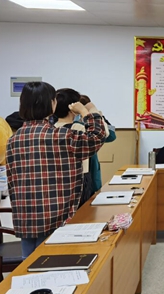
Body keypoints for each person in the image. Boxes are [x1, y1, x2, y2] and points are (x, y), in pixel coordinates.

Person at [6, 81, 105, 258]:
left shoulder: (13, 140)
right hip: (55, 215)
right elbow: (97, 136)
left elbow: (12, 179)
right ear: (52, 104)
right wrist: (85, 112)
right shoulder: (62, 136)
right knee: (50, 262)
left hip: (25, 216)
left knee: (27, 263)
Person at [79, 94, 116, 194]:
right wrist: (95, 115)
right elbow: (109, 135)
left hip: (91, 166)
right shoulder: (80, 124)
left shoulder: (92, 121)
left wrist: (98, 116)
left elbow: (111, 136)